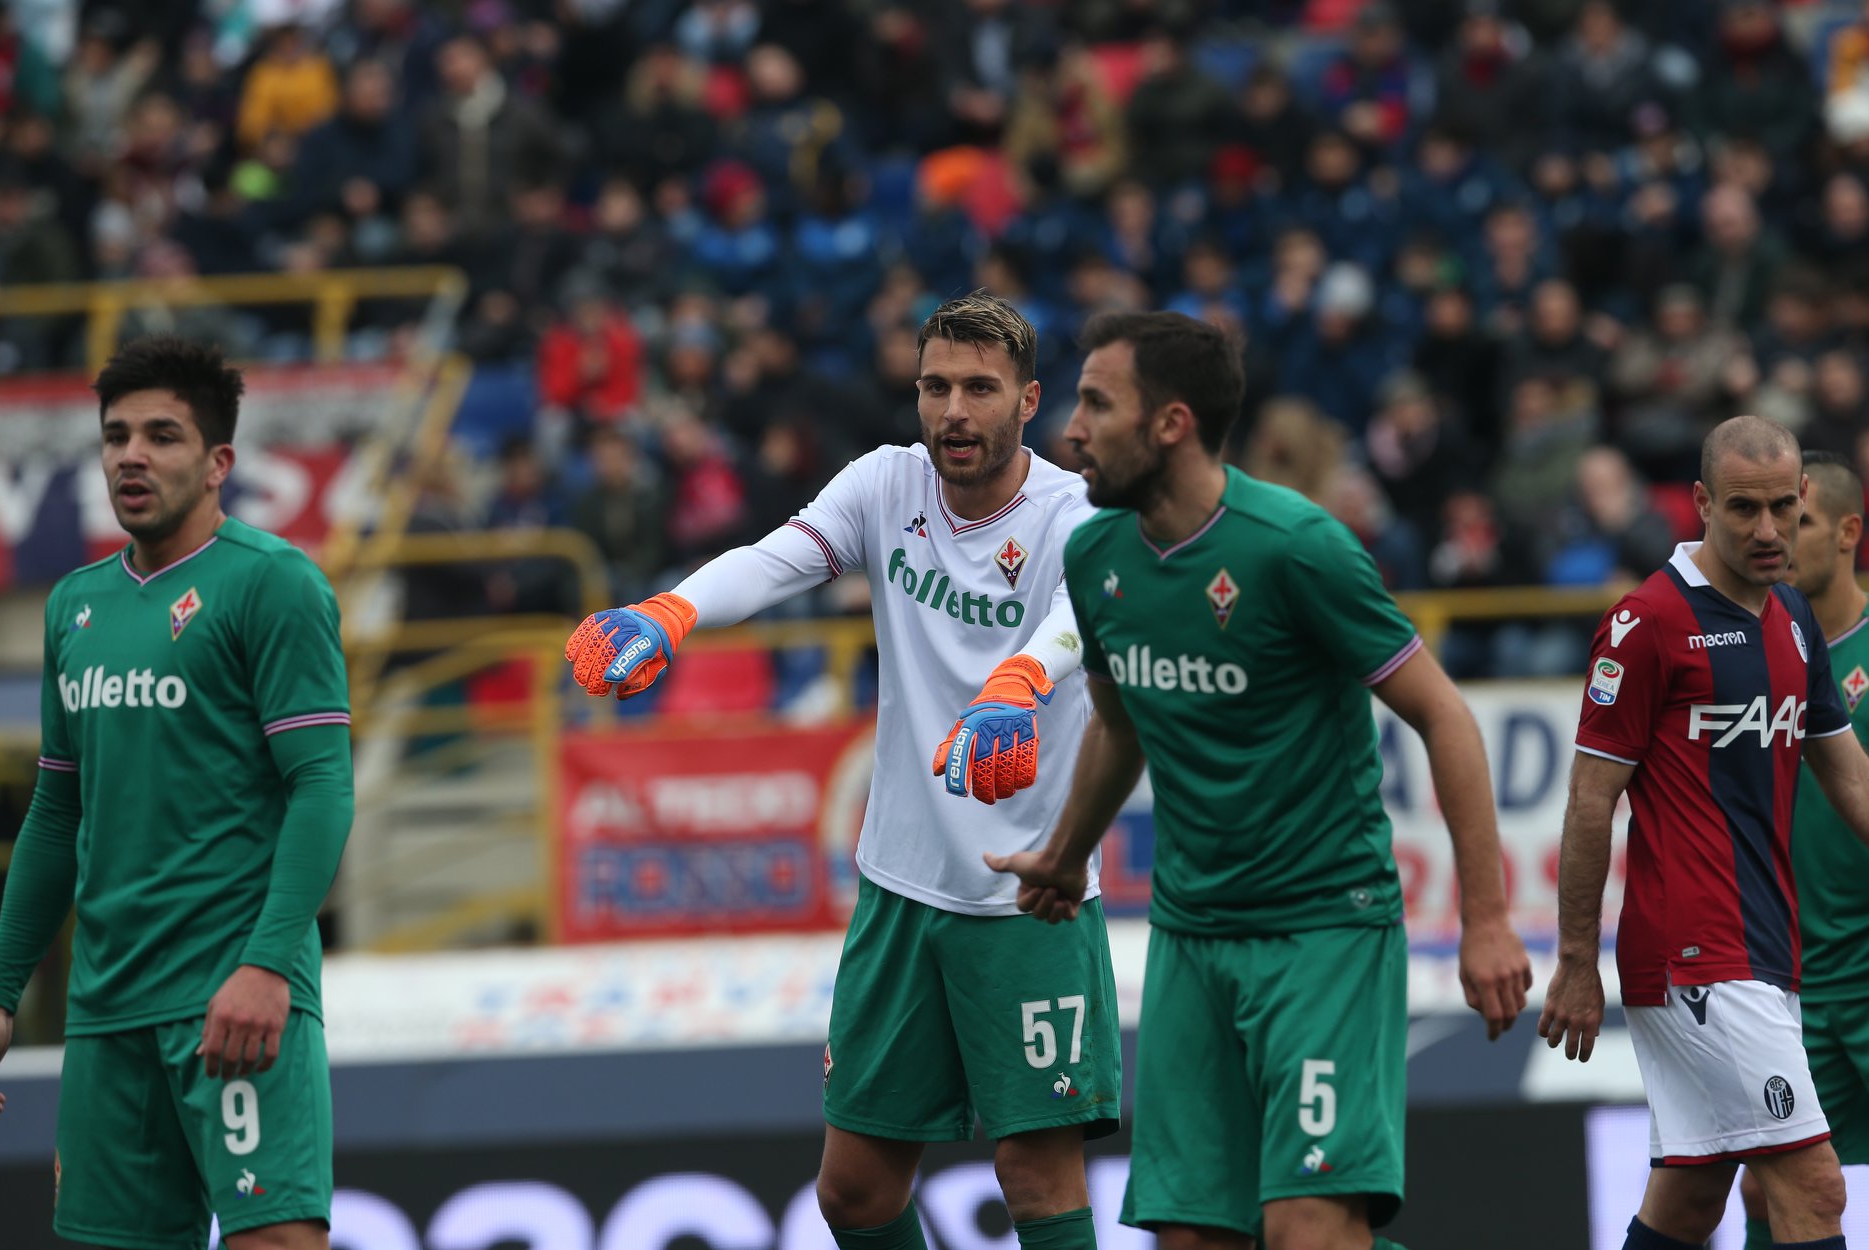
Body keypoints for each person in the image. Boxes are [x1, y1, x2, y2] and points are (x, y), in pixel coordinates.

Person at [564, 294, 1115, 1250]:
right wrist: (671, 613)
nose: (953, 410)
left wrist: (1021, 680)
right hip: (900, 889)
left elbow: (1076, 622)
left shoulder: (1074, 514)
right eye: (935, 386)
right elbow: (775, 560)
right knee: (854, 1193)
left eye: (979, 389)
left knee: (1037, 1175)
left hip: (1028, 895)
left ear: (1028, 403)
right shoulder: (885, 484)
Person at [986, 310, 1533, 1250]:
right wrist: (1066, 856)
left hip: (1323, 930)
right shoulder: (1094, 556)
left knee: (1307, 1231)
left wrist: (1484, 919)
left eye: (1096, 403)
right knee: (1194, 1238)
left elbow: (1444, 714)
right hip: (1191, 938)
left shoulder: (1296, 548)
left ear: (1172, 424)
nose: (1068, 429)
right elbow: (1120, 729)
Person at [0, 336, 353, 1250]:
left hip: (232, 995)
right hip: (107, 1009)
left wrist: (269, 965)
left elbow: (319, 786)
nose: (132, 457)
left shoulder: (273, 584)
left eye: (162, 436)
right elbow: (55, 814)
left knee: (276, 1241)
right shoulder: (74, 605)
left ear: (218, 462)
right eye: (116, 437)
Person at [1540, 416, 1869, 1250]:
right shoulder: (1644, 624)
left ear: (1802, 501)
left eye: (1781, 509)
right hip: (1695, 952)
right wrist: (1575, 960)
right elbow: (1587, 803)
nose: (1766, 531)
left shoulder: (1791, 619)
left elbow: (1850, 779)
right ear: (1699, 504)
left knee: (1689, 1202)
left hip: (1762, 946)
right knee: (1813, 1189)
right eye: (1740, 509)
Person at [1735, 450, 1869, 1250]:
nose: (1777, 535)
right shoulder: (1751, 656)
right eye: (1769, 516)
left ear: (1850, 532)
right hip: (1792, 988)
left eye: (1800, 519)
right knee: (1771, 1197)